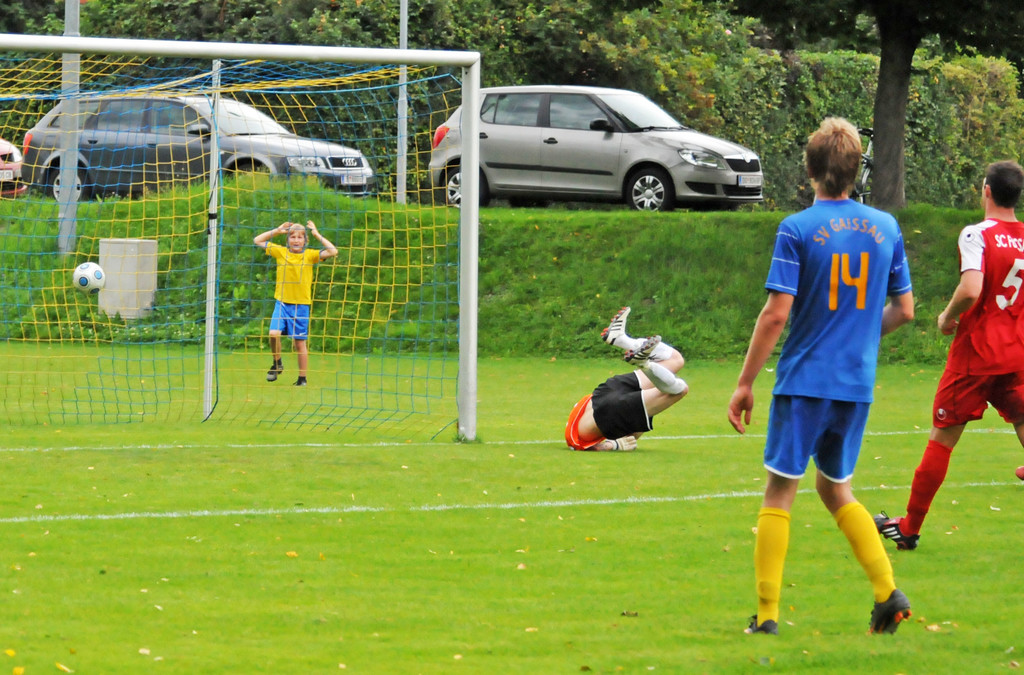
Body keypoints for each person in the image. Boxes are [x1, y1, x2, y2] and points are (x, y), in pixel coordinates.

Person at [726, 117, 916, 636]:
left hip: (805, 381)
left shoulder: (797, 228)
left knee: (779, 491)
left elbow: (775, 314)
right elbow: (905, 310)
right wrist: (859, 335)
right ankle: (887, 592)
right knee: (836, 490)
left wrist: (744, 383)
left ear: (809, 169)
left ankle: (767, 616)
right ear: (856, 170)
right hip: (855, 384)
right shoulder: (887, 227)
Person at [875, 160, 1024, 551]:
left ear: (987, 190)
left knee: (942, 436)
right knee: (1023, 417)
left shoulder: (977, 234)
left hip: (976, 355)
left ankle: (909, 527)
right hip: (1016, 352)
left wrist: (946, 316)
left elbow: (972, 288)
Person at [565, 307, 689, 452]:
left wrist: (613, 445)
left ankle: (628, 347)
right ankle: (630, 348)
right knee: (675, 364)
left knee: (678, 382)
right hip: (605, 392)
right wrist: (615, 444)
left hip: (608, 408)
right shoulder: (616, 422)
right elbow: (633, 430)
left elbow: (579, 445)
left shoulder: (589, 432)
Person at [253, 220, 338, 386]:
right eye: (292, 237)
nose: (296, 240)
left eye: (300, 237)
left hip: (301, 306)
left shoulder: (310, 255)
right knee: (273, 334)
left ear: (305, 240)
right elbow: (257, 240)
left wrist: (316, 234)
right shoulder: (280, 252)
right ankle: (277, 363)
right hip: (282, 303)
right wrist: (277, 230)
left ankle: (302, 379)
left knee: (299, 343)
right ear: (288, 240)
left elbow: (333, 251)